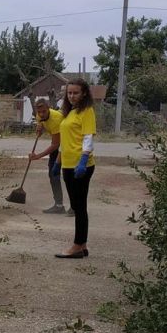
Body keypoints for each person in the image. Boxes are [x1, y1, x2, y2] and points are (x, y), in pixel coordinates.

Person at [51, 79, 96, 259]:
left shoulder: (86, 111)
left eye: (75, 93)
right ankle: (82, 245)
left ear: (84, 93)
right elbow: (65, 140)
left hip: (80, 166)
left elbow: (87, 137)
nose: (72, 96)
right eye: (69, 93)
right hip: (68, 165)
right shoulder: (69, 113)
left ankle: (77, 246)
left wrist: (83, 160)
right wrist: (57, 162)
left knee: (79, 207)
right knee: (78, 207)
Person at [27, 97, 68, 214]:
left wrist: (38, 156)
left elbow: (56, 144)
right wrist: (39, 129)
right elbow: (41, 125)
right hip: (58, 145)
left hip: (67, 145)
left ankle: (69, 206)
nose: (41, 114)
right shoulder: (39, 116)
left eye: (44, 111)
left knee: (63, 174)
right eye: (39, 112)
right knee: (52, 174)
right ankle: (59, 205)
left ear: (48, 108)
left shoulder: (56, 119)